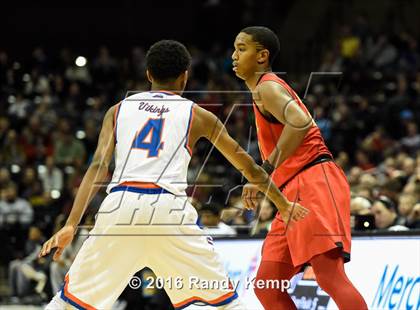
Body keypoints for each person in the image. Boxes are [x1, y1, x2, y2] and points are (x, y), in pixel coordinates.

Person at [39, 40, 308, 310]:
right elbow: (249, 168)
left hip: (120, 206)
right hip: (168, 208)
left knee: (69, 303)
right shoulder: (197, 114)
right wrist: (282, 204)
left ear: (148, 75)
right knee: (223, 304)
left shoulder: (118, 110)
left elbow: (98, 166)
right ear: (185, 76)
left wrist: (71, 223)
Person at [232, 26, 368, 309]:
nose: (234, 55)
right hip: (290, 195)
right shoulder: (262, 90)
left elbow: (300, 121)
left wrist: (264, 170)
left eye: (241, 48)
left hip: (314, 180)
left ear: (262, 56)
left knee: (329, 275)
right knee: (267, 285)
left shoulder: (267, 86)